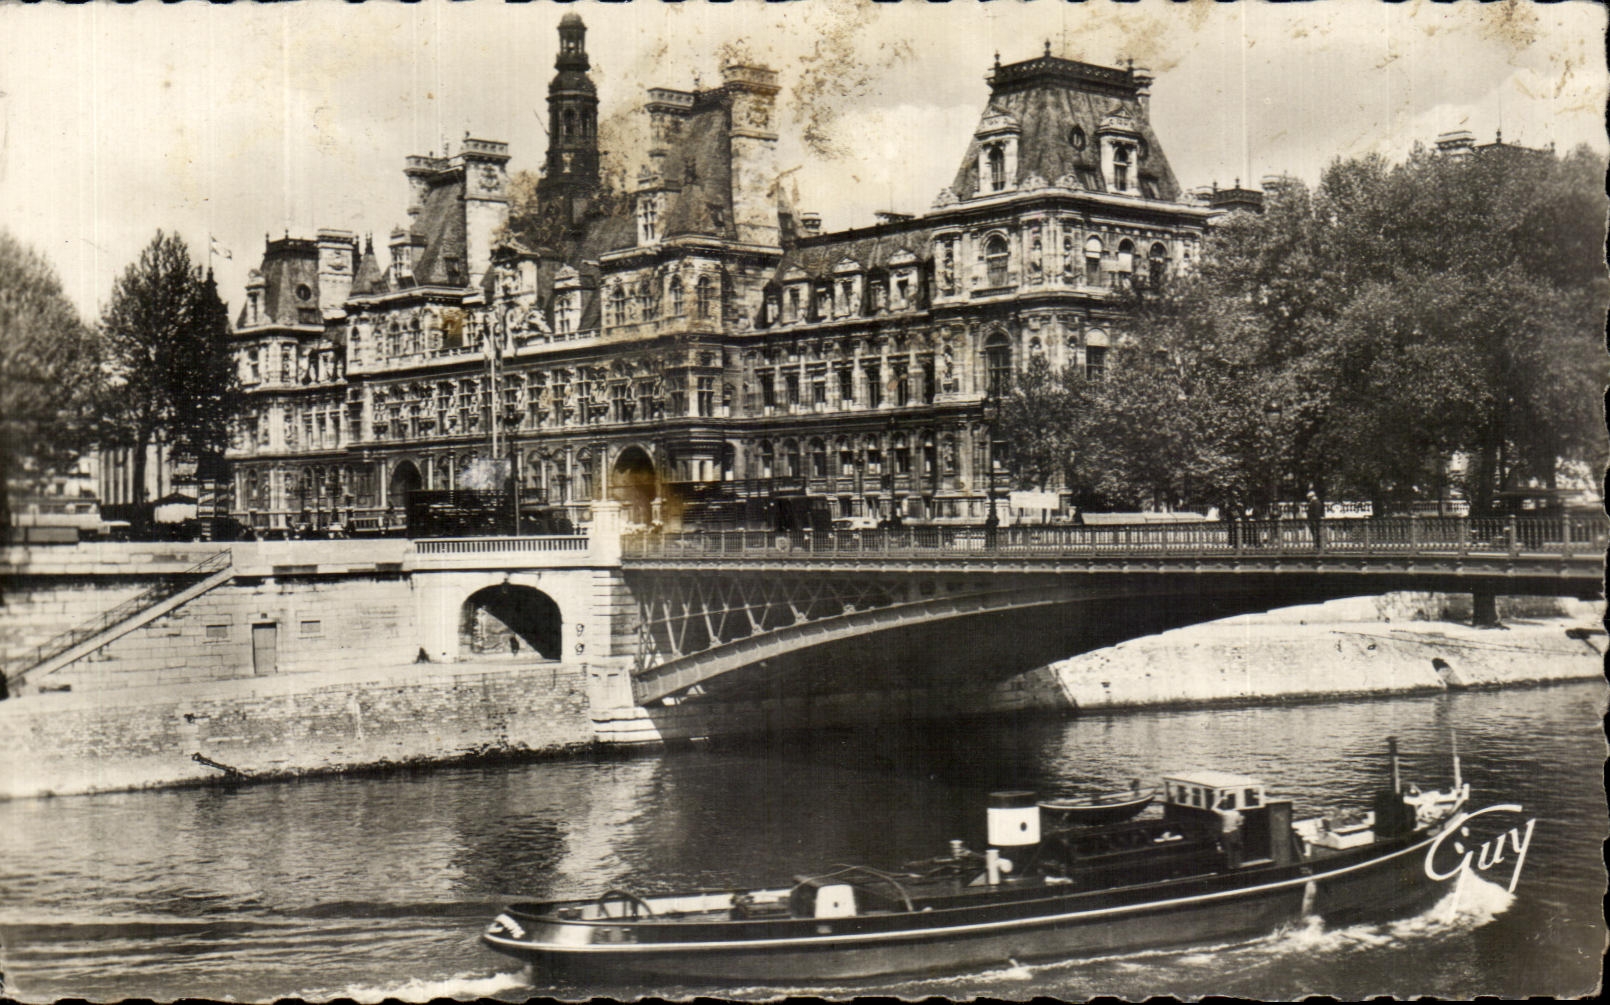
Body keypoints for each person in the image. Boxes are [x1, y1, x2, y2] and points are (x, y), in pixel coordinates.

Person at [1214, 791, 1245, 867]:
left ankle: (1230, 865)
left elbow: (1213, 808)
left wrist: (1219, 800)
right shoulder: (1236, 813)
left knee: (1229, 849)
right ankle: (1238, 864)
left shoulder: (1224, 813)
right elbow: (1240, 823)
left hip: (1226, 833)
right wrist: (1242, 819)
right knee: (1236, 848)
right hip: (1234, 832)